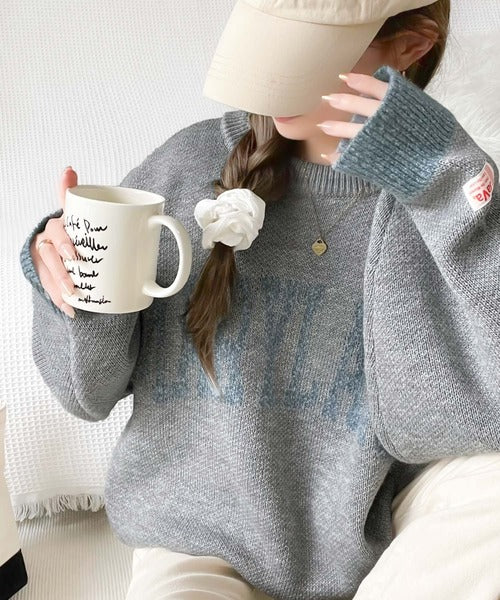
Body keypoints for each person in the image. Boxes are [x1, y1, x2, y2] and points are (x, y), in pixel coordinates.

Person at [18, 0, 500, 598]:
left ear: (411, 47)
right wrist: (73, 276)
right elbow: (85, 394)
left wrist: (449, 184)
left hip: (379, 535)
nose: (277, 77)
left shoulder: (449, 195)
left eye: (309, 49)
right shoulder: (187, 167)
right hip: (195, 541)